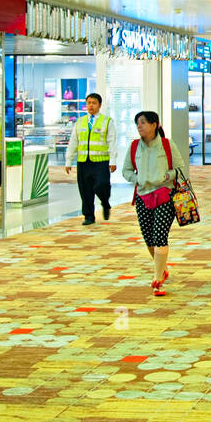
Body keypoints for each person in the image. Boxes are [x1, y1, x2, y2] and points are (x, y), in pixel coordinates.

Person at [121, 110, 189, 296]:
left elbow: (180, 168)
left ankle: (158, 279)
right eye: (137, 123)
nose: (139, 126)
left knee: (160, 236)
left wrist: (167, 175)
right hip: (143, 197)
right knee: (149, 238)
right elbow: (126, 170)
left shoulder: (167, 145)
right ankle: (162, 268)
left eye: (143, 122)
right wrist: (137, 179)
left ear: (154, 125)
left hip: (164, 195)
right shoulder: (134, 146)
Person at [63, 92, 116, 225]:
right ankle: (88, 216)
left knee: (102, 185)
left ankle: (105, 202)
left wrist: (113, 161)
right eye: (88, 103)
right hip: (83, 162)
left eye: (94, 103)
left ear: (99, 105)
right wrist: (68, 160)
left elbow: (112, 142)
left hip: (101, 162)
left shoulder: (107, 121)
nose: (90, 106)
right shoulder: (80, 122)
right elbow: (73, 142)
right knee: (85, 190)